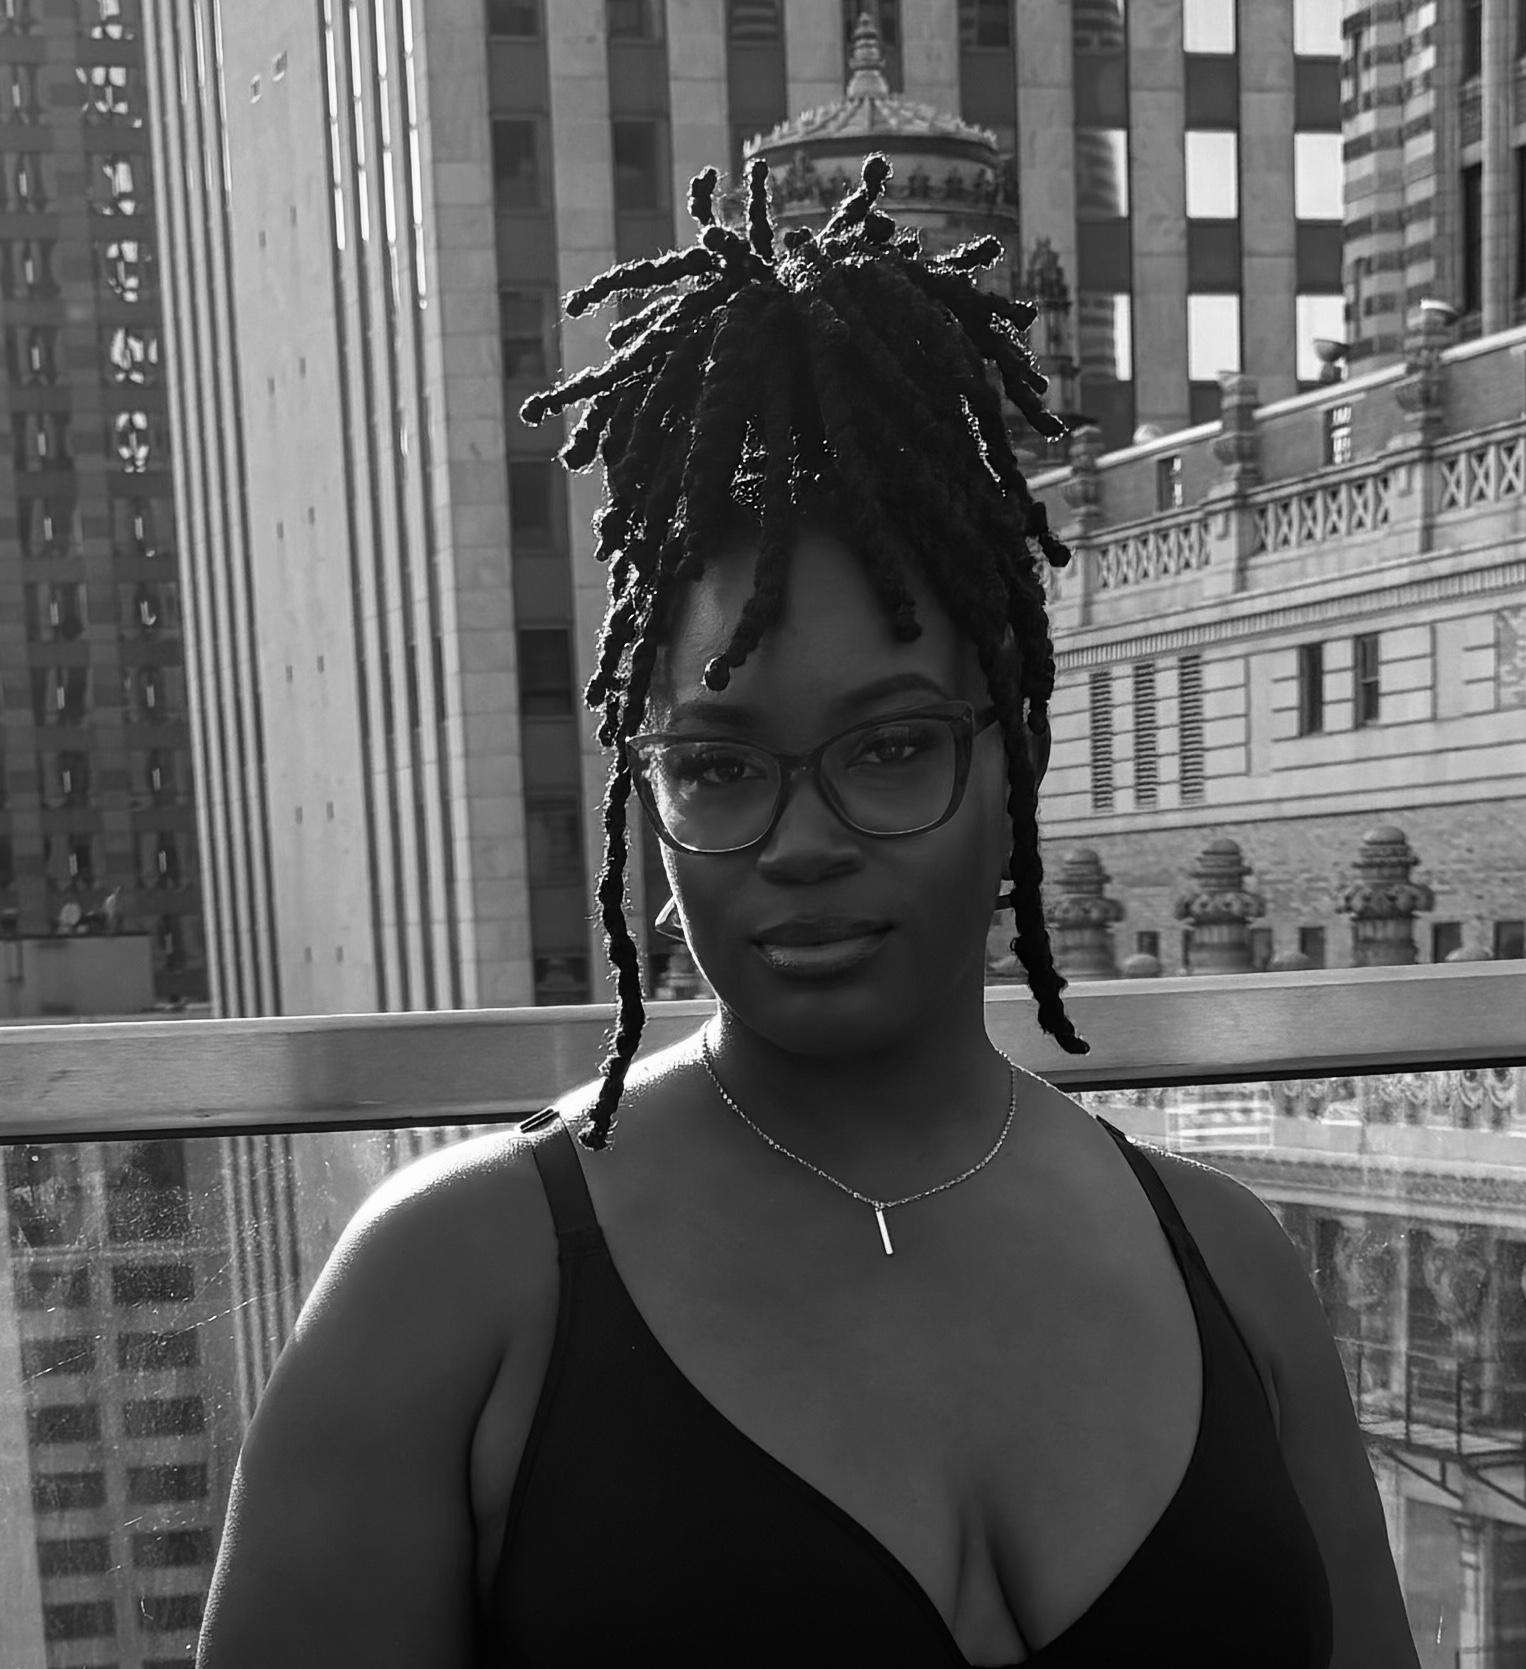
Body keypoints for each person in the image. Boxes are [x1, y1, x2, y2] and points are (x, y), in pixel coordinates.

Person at [197, 154, 1419, 1667]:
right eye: (718, 769)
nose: (803, 841)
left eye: (889, 747)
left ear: (1014, 758)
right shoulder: (446, 1288)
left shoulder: (1233, 1265)